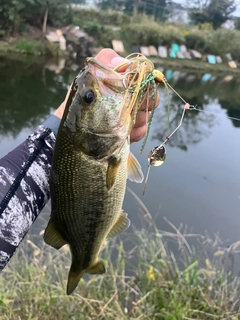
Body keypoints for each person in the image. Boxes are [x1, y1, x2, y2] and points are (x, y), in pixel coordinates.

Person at [0, 49, 160, 271]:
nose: (91, 94)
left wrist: (51, 137)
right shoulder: (94, 147)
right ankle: (86, 262)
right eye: (89, 98)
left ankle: (83, 262)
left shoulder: (94, 146)